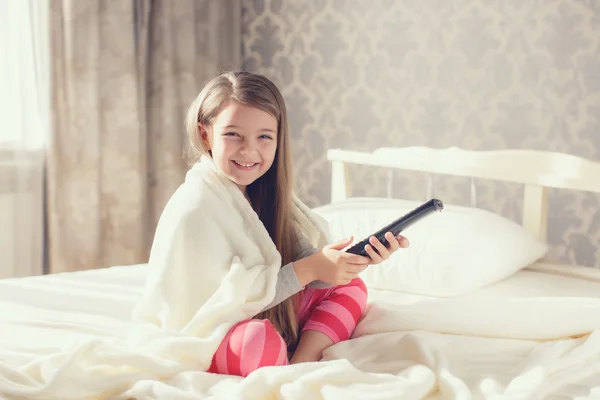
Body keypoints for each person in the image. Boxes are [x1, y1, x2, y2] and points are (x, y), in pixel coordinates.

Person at [176, 71, 409, 377]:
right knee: (256, 342)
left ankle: (301, 364)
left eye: (264, 137)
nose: (249, 150)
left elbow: (308, 273)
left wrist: (344, 264)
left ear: (278, 139)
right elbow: (219, 304)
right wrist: (310, 268)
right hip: (217, 330)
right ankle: (280, 362)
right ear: (206, 135)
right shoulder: (197, 204)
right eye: (233, 134)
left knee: (351, 287)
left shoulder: (265, 196)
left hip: (263, 316)